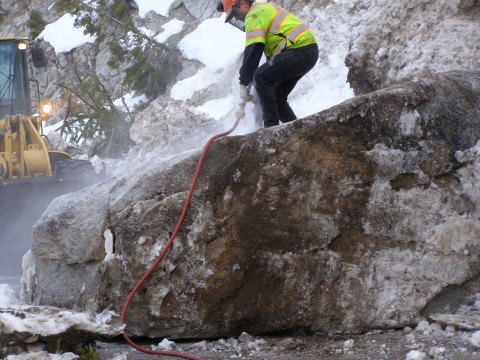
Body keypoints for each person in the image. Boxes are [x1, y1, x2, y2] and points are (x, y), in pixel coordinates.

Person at [217, 0, 319, 128]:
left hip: (301, 49)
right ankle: (300, 131)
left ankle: (270, 128)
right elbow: (271, 62)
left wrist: (244, 81)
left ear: (243, 4)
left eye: (235, 13)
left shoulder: (254, 14)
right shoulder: (261, 9)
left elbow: (253, 50)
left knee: (261, 76)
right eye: (232, 16)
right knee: (276, 97)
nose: (236, 17)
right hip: (305, 51)